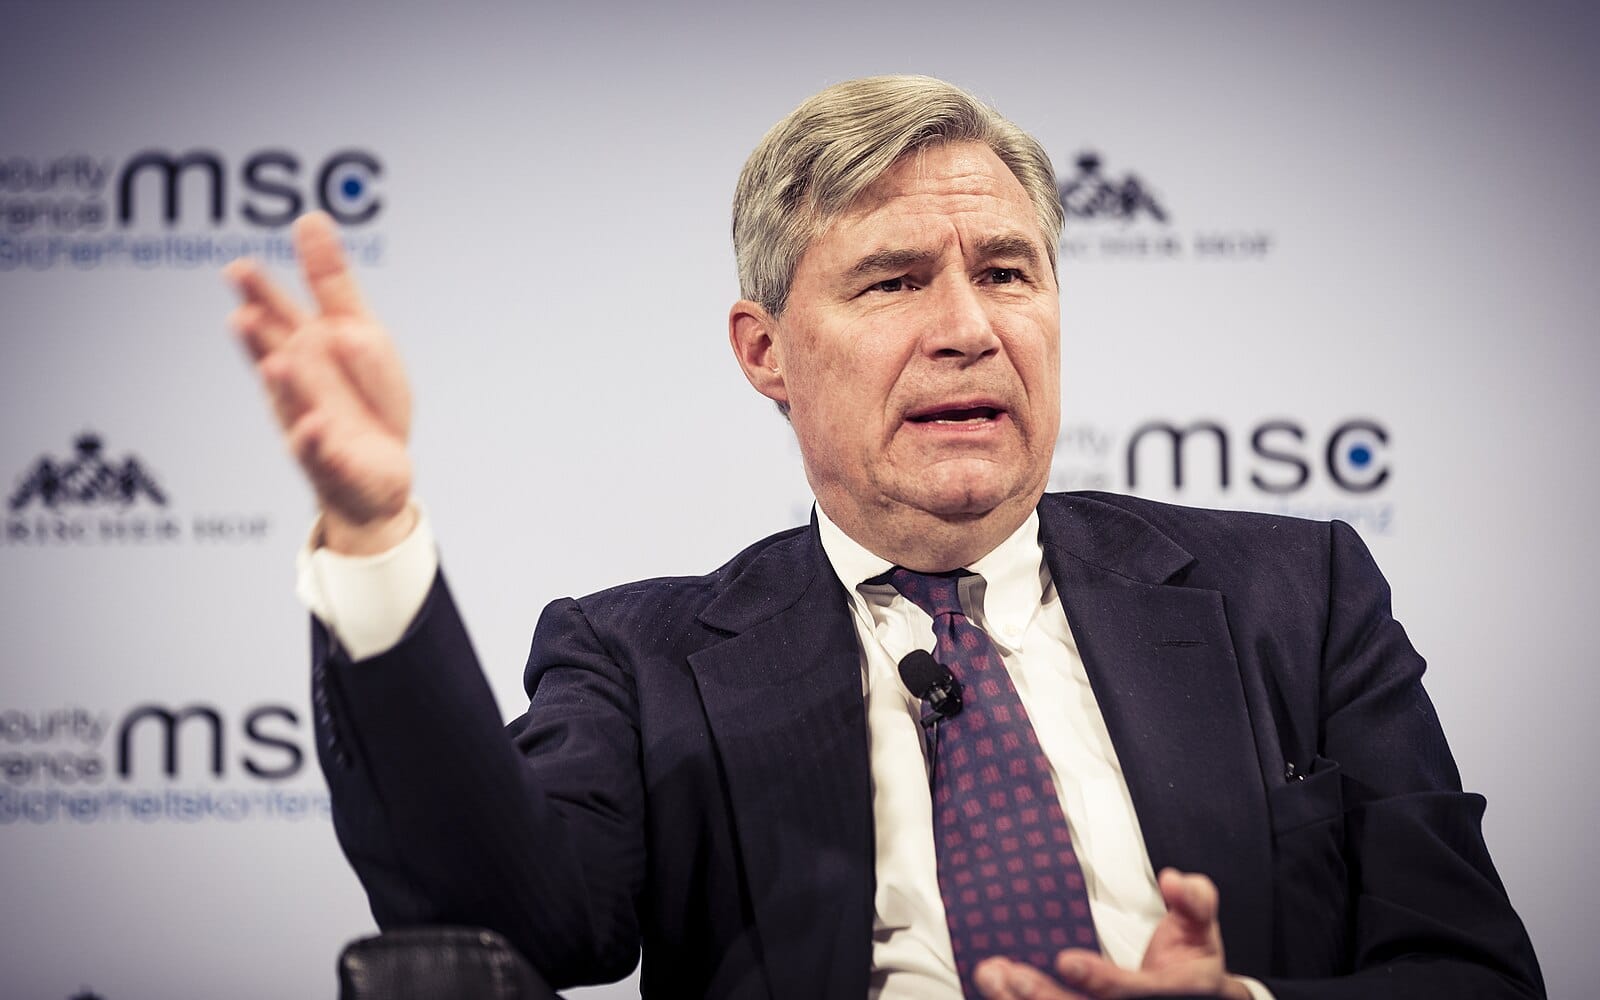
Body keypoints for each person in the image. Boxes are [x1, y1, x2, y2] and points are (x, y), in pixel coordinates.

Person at [224, 76, 1543, 999]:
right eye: (895, 281)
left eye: (1007, 272)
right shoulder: (639, 659)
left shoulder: (1294, 596)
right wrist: (373, 532)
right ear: (765, 352)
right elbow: (509, 922)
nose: (968, 328)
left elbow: (1473, 971)